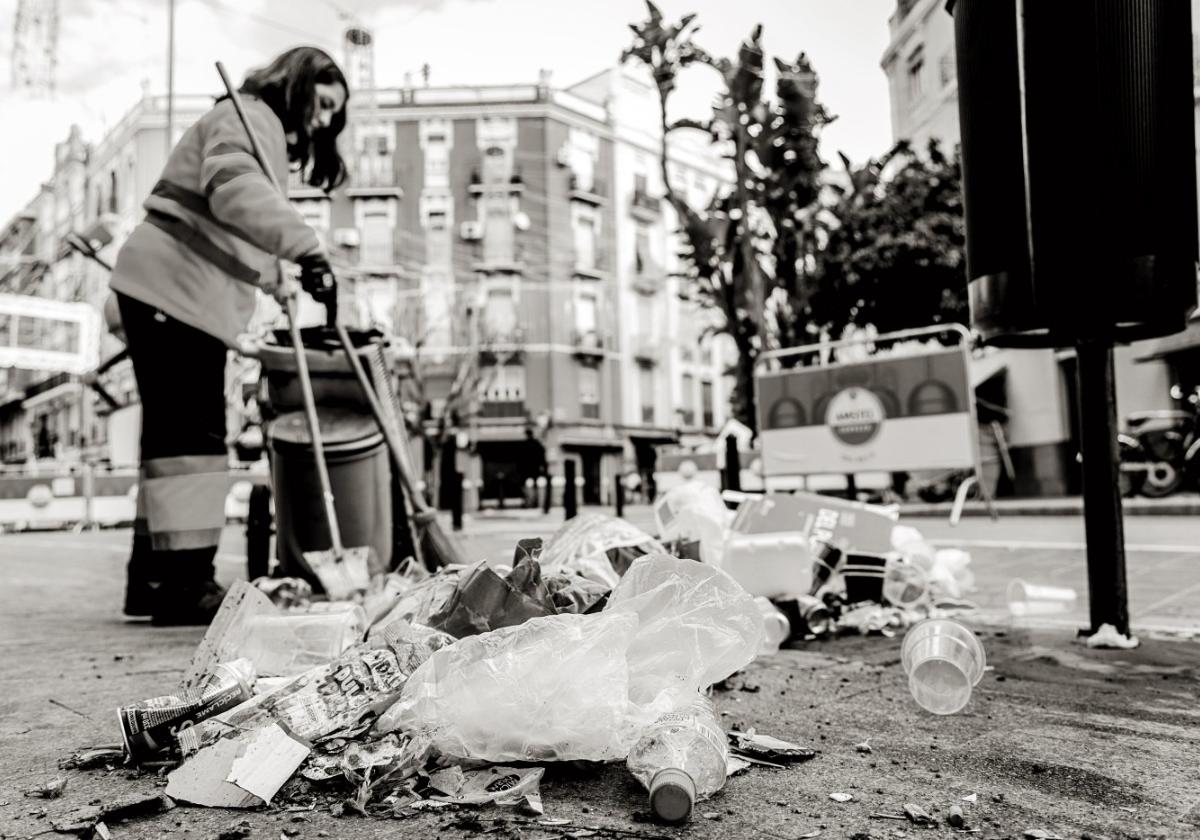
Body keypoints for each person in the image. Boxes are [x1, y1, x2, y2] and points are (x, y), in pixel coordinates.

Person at [110, 46, 349, 624]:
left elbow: (225, 230)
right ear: (294, 85)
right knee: (192, 444)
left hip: (171, 291)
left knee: (169, 446)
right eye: (320, 104)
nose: (321, 121)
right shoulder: (248, 117)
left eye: (332, 115)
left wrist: (275, 277)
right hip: (175, 293)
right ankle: (185, 583)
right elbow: (233, 188)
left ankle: (152, 579)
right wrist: (306, 247)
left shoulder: (246, 123)